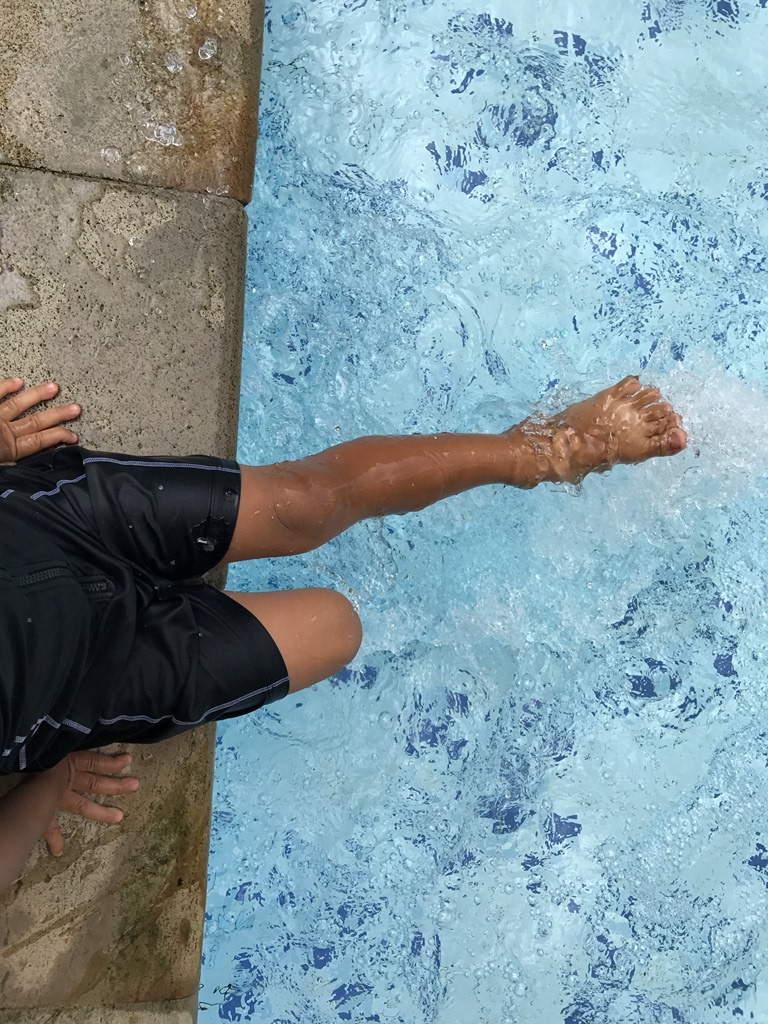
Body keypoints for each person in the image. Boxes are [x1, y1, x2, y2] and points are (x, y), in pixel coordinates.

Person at [0, 373, 686, 891]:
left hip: (41, 527)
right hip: (85, 683)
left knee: (306, 501)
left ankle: (534, 452)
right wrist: (47, 782)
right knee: (332, 626)